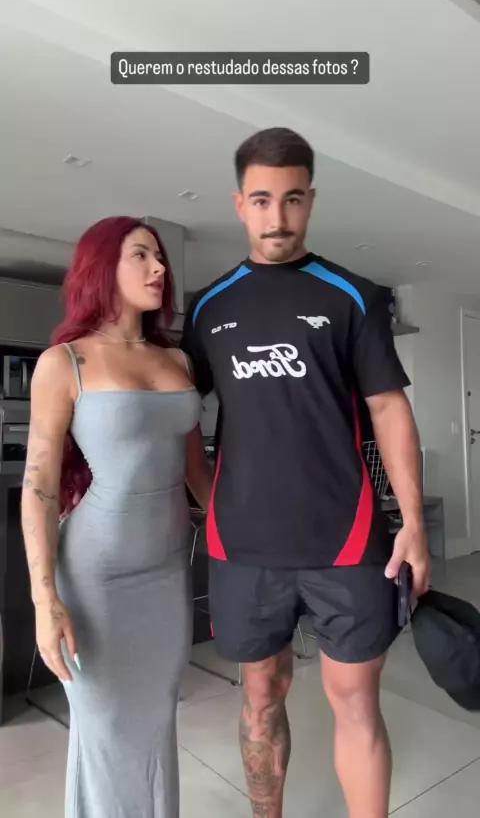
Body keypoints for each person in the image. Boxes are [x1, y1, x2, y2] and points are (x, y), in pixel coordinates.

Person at [181, 127, 431, 818]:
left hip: (345, 541)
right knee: (261, 696)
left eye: (292, 199)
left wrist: (413, 523)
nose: (278, 217)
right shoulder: (208, 306)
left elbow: (389, 408)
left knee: (356, 702)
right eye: (262, 200)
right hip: (243, 549)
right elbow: (181, 409)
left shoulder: (353, 296)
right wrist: (205, 492)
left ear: (311, 201)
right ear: (240, 204)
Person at [21, 216, 212, 818]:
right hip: (95, 578)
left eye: (160, 257)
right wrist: (45, 599)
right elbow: (39, 485)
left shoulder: (178, 360)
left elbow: (197, 472)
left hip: (167, 574)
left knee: (156, 721)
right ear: (102, 266)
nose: (159, 268)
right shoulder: (65, 362)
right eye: (141, 255)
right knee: (104, 731)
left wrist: (243, 533)